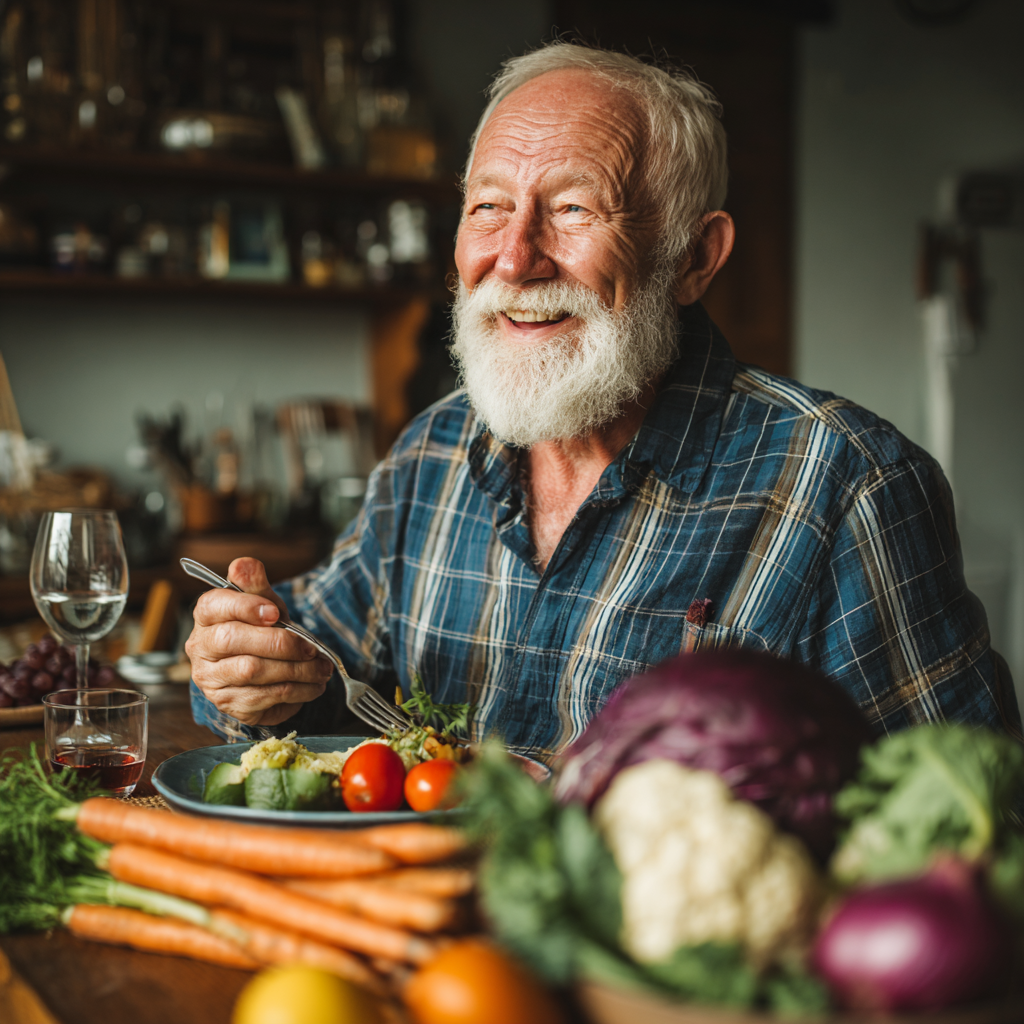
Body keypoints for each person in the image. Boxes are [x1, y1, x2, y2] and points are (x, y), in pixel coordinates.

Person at [186, 43, 1020, 757]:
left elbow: (971, 830)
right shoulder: (431, 453)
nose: (514, 260)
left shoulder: (848, 487)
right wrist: (250, 671)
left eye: (574, 209)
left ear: (695, 257)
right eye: (488, 208)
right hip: (416, 937)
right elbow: (311, 666)